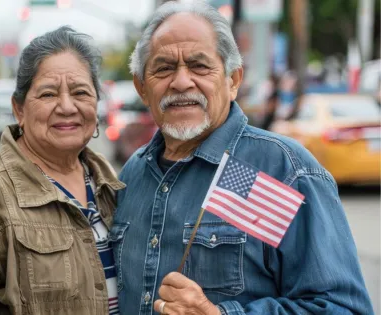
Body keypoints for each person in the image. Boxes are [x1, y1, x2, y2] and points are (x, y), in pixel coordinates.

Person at [111, 1, 374, 314]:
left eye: (199, 65)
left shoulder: (283, 171)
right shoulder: (132, 175)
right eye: (164, 68)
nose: (181, 82)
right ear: (142, 88)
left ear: (233, 80)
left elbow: (343, 308)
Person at [0, 26, 125, 315]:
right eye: (47, 94)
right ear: (19, 110)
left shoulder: (114, 185)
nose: (67, 106)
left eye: (80, 92)